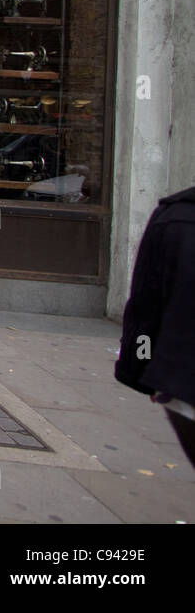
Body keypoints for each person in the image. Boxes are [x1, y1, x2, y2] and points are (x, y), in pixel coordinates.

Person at [115, 186, 195, 467]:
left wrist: (139, 371)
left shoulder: (176, 217)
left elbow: (147, 304)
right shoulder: (177, 216)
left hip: (183, 383)